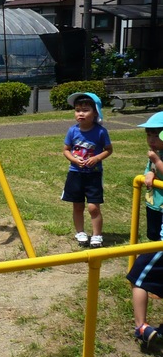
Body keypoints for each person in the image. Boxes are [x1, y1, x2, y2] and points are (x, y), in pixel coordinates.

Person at [61, 92, 113, 248]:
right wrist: (74, 160)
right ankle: (81, 232)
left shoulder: (100, 131)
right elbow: (66, 150)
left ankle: (97, 235)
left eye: (85, 110)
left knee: (93, 206)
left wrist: (97, 158)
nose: (80, 113)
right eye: (77, 110)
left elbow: (108, 149)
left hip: (93, 175)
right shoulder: (72, 131)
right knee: (77, 205)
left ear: (95, 112)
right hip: (75, 173)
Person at [137, 112, 163, 241]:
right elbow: (150, 169)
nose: (151, 140)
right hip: (154, 203)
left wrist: (157, 161)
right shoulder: (156, 153)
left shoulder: (156, 155)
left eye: (157, 136)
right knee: (153, 236)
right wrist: (150, 172)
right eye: (148, 135)